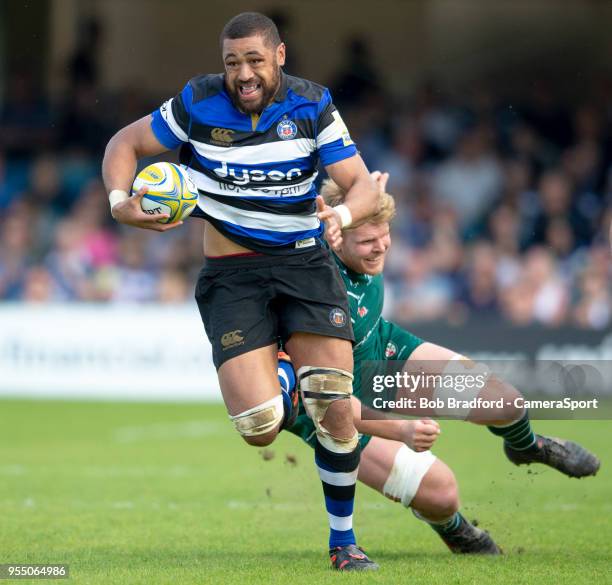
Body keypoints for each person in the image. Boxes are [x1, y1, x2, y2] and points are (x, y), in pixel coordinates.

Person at [102, 12, 380, 571]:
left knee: (332, 402)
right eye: (233, 63)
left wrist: (343, 216)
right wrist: (119, 204)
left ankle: (343, 542)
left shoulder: (312, 105)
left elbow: (361, 184)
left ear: (279, 56)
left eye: (255, 60)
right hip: (232, 275)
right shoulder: (196, 104)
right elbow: (122, 145)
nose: (244, 74)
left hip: (304, 265)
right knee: (259, 427)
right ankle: (279, 375)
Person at [279, 172, 599, 552]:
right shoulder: (314, 282)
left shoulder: (357, 229)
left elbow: (355, 190)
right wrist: (402, 430)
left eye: (385, 236)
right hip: (330, 404)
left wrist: (367, 192)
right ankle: (456, 529)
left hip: (379, 353)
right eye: (367, 241)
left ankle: (526, 446)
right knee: (443, 493)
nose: (381, 248)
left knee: (506, 402)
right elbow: (330, 399)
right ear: (335, 239)